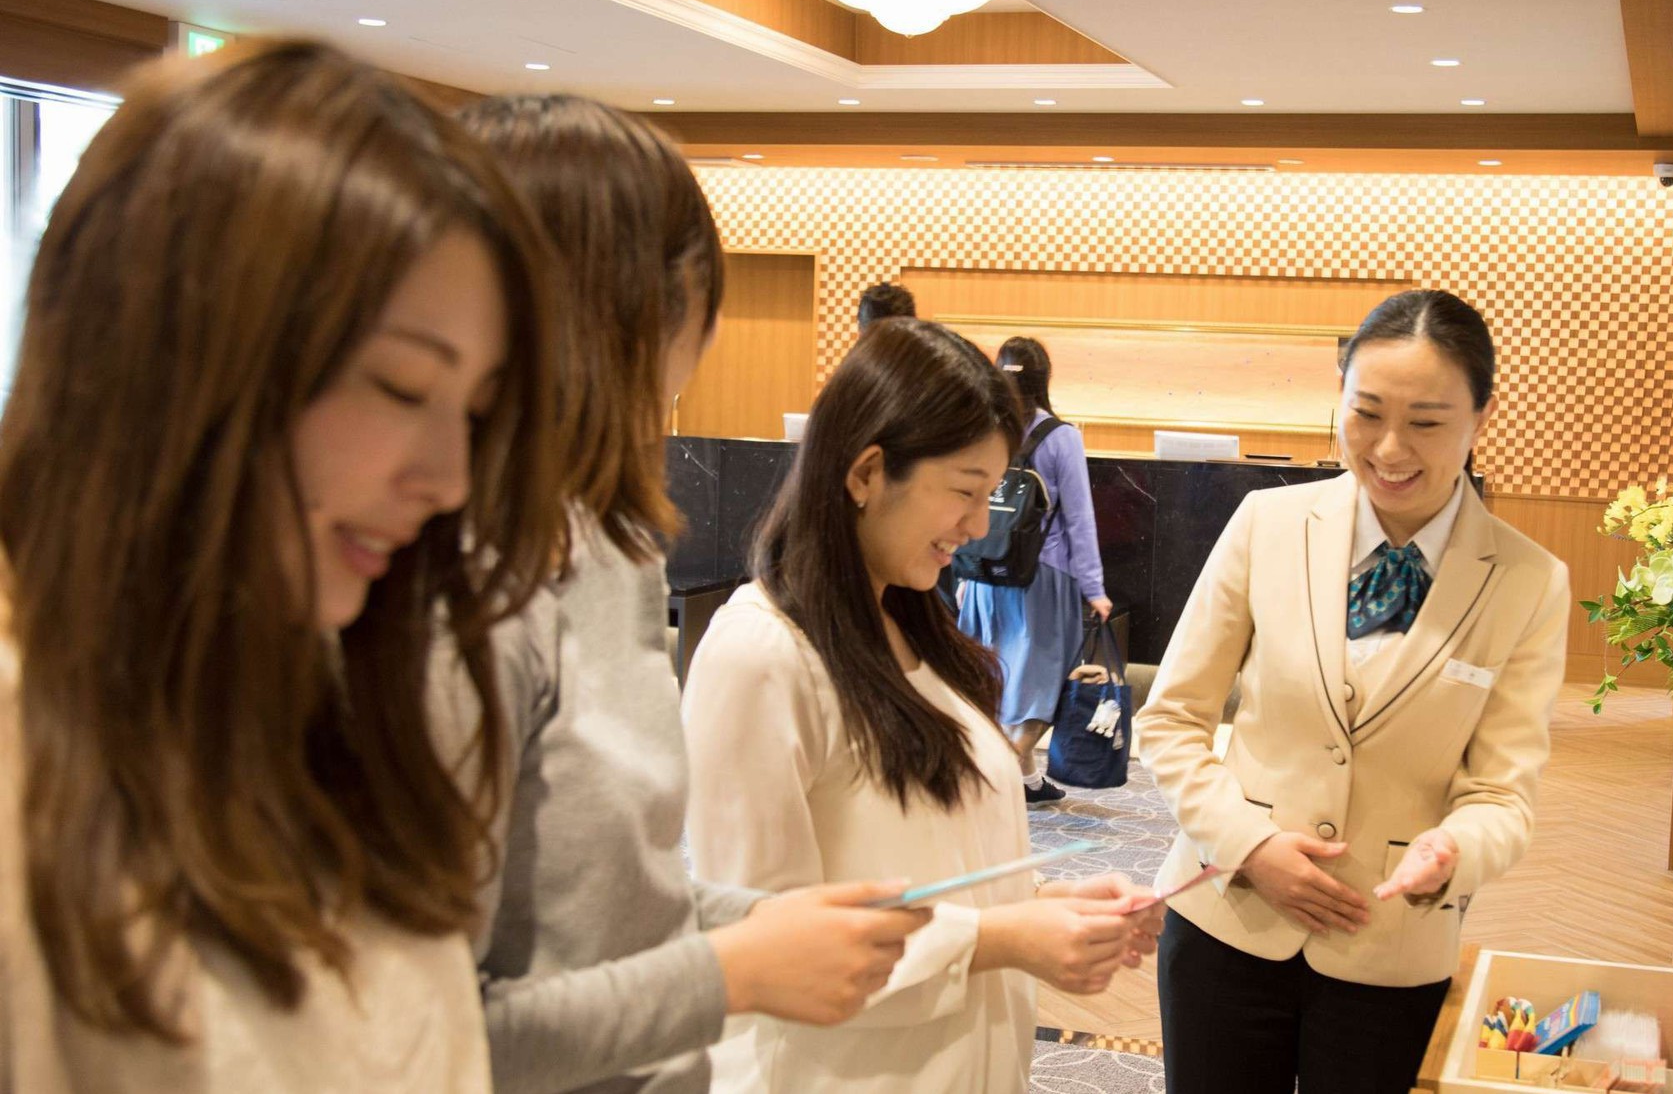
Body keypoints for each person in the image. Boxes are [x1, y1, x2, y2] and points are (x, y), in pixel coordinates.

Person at [0, 40, 569, 1091]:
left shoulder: (319, 710)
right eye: (400, 388)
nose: (448, 479)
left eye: (476, 412)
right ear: (181, 357)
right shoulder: (29, 763)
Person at [447, 93, 929, 1094]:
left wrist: (752, 921)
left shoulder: (608, 543)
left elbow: (610, 902)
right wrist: (730, 969)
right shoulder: (453, 585)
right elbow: (423, 1028)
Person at [680, 318, 1164, 1094]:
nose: (979, 527)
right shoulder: (761, 656)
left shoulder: (913, 625)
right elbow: (764, 939)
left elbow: (926, 865)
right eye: (966, 492)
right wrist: (1004, 936)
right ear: (868, 473)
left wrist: (1042, 903)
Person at [1137, 289, 1569, 1094]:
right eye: (1366, 413)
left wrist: (1456, 851)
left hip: (1391, 943)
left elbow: (1504, 794)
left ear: (1484, 416)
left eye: (1429, 422)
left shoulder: (1528, 582)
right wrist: (1250, 844)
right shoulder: (1267, 523)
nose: (1390, 447)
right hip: (1227, 919)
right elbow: (1172, 717)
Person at [956, 336, 1111, 805]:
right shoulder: (1061, 438)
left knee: (996, 679)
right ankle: (998, 776)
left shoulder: (983, 430)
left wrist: (963, 572)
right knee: (1049, 684)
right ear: (1044, 380)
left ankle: (1026, 782)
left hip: (984, 570)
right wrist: (1094, 588)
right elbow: (1079, 518)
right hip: (1043, 577)